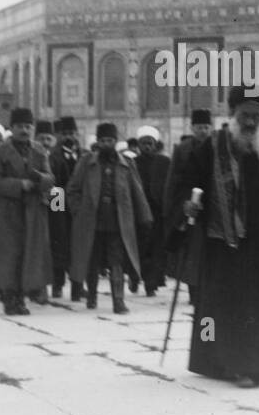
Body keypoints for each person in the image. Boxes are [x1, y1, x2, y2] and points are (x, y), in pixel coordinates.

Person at [178, 86, 259, 387]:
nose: (250, 121)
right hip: (223, 244)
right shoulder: (214, 145)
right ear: (233, 115)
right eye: (244, 115)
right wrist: (188, 203)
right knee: (226, 305)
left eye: (255, 115)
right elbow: (189, 179)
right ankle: (224, 363)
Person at [67, 121, 151, 313]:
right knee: (92, 259)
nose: (107, 144)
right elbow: (71, 189)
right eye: (103, 140)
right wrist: (78, 210)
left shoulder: (126, 164)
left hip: (118, 220)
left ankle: (118, 301)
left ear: (116, 141)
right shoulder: (86, 162)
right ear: (98, 141)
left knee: (116, 260)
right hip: (92, 219)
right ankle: (92, 297)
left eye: (111, 140)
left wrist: (145, 216)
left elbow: (137, 192)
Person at [0, 107, 54, 315]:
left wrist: (40, 179)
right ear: (12, 128)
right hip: (8, 212)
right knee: (10, 256)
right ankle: (9, 298)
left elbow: (52, 180)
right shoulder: (0, 151)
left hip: (33, 212)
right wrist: (19, 185)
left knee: (28, 255)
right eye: (20, 127)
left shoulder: (40, 151)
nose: (24, 130)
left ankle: (22, 298)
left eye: (28, 126)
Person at [164, 109, 215, 309]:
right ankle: (194, 291)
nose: (203, 131)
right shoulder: (183, 149)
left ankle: (205, 289)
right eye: (199, 127)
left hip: (210, 207)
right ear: (192, 128)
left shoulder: (216, 146)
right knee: (192, 251)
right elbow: (173, 179)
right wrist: (172, 207)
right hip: (188, 205)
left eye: (206, 127)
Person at [47, 117, 85, 302]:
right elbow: (54, 184)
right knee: (59, 245)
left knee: (79, 247)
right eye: (65, 134)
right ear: (58, 136)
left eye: (71, 133)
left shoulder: (84, 155)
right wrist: (57, 210)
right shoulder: (53, 156)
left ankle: (78, 286)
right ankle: (57, 284)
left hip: (78, 207)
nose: (69, 137)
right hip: (60, 204)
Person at [134, 125, 171, 297]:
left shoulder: (164, 162)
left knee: (157, 248)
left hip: (158, 211)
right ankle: (139, 278)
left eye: (150, 143)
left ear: (155, 144)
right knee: (143, 248)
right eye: (143, 143)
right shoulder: (132, 163)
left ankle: (152, 282)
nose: (147, 146)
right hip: (140, 212)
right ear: (139, 145)